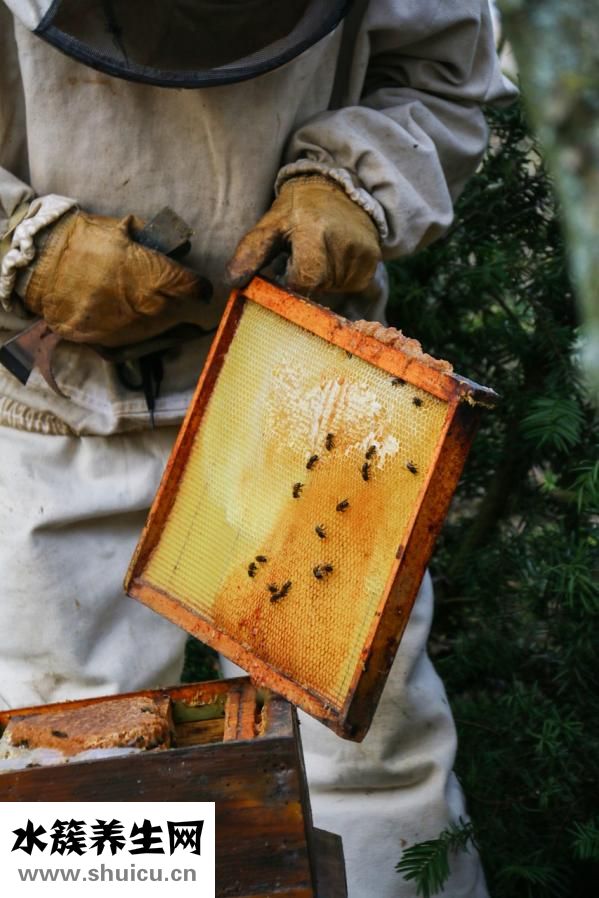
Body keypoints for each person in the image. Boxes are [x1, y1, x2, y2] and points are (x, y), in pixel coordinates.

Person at [0, 1, 515, 894]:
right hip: (53, 399)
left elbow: (440, 77)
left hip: (308, 386)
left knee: (367, 761)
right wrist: (23, 245)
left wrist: (347, 184)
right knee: (71, 777)